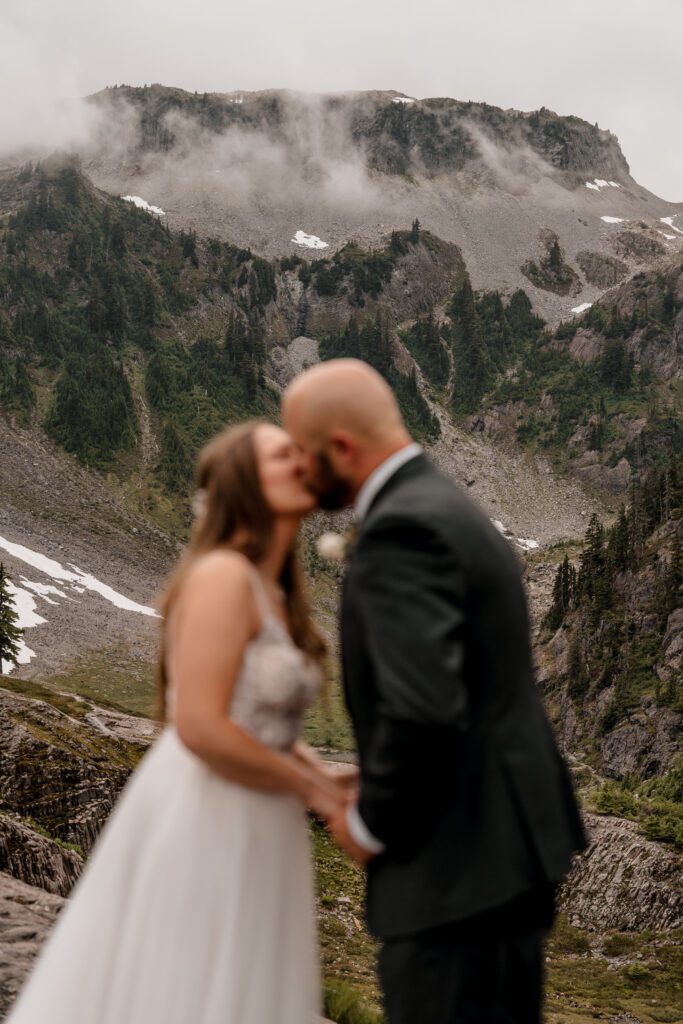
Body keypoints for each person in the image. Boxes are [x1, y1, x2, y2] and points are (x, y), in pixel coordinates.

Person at [6, 420, 349, 1024]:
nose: (302, 462)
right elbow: (200, 724)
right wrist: (315, 791)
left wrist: (323, 772)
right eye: (282, 456)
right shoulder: (222, 576)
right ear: (242, 484)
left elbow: (263, 723)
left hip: (260, 813)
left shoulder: (272, 589)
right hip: (210, 805)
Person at [283, 359, 587, 1024]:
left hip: (455, 873)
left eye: (304, 455)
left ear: (340, 448)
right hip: (501, 856)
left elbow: (422, 710)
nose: (301, 473)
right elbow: (471, 694)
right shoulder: (448, 508)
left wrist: (368, 823)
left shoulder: (402, 533)